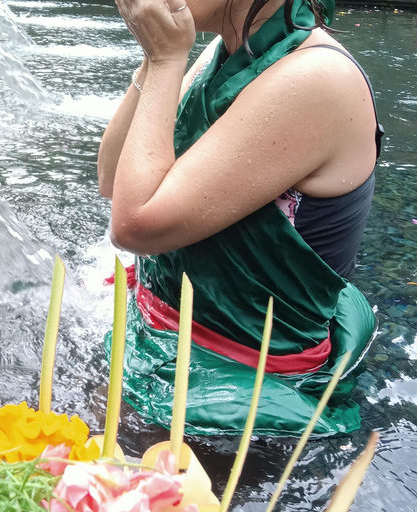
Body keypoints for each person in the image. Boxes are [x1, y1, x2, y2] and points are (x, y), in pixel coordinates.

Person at [98, 0, 381, 435]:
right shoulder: (223, 54)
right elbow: (112, 182)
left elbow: (134, 226)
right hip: (167, 335)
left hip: (242, 387)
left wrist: (166, 59)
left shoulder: (317, 79)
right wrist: (153, 60)